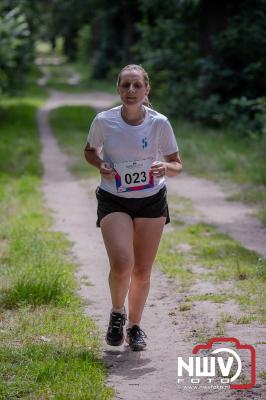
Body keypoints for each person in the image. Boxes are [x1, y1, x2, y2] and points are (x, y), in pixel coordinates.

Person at [84, 64, 182, 351]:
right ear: (118, 88)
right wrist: (100, 164)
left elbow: (177, 164)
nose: (130, 91)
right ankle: (117, 313)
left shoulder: (159, 123)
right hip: (114, 197)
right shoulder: (104, 120)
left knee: (141, 270)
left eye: (136, 85)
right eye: (125, 85)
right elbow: (90, 150)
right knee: (122, 263)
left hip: (151, 198)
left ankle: (135, 326)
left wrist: (164, 167)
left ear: (146, 89)